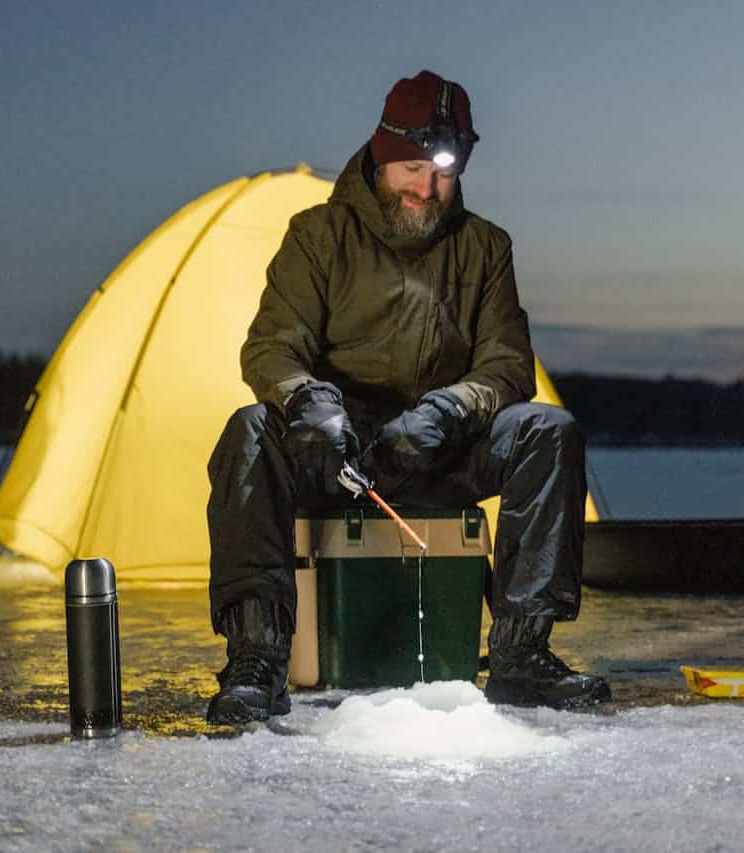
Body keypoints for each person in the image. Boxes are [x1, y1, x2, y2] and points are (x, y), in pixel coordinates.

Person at [205, 70, 609, 725]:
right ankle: (257, 658)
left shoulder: (485, 248)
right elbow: (271, 348)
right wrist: (311, 403)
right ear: (383, 156)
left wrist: (446, 412)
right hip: (339, 456)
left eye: (445, 173)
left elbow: (507, 364)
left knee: (547, 428)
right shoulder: (317, 237)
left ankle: (522, 654)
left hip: (437, 452)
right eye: (414, 168)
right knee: (250, 429)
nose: (428, 188)